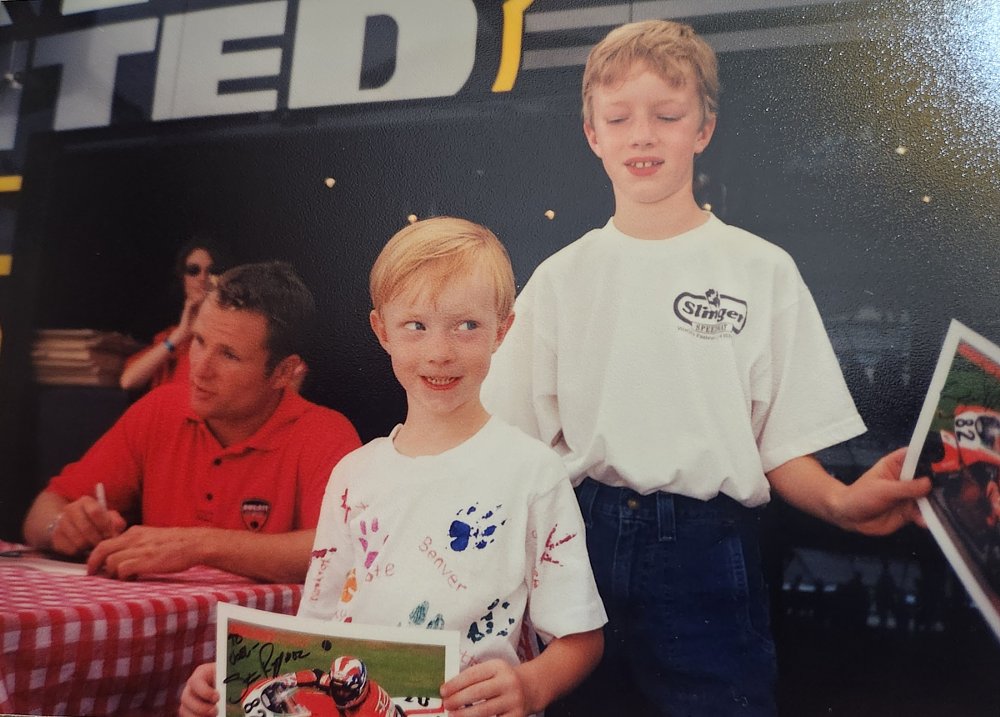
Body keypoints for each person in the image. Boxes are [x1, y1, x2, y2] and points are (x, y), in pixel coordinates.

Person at [480, 19, 932, 717]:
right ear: (592, 134)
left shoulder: (761, 270)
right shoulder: (560, 278)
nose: (643, 135)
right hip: (579, 541)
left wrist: (843, 503)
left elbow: (779, 448)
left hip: (709, 550)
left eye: (667, 114)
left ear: (704, 128)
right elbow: (512, 451)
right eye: (619, 117)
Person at [179, 217, 607, 717]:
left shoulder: (533, 473)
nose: (440, 352)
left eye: (467, 325)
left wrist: (531, 686)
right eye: (416, 326)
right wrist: (235, 687)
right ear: (382, 331)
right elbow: (313, 638)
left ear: (503, 330)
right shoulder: (352, 475)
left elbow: (582, 639)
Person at [22, 261, 361, 583]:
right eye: (199, 341)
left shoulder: (324, 433)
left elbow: (344, 549)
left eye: (229, 355)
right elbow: (42, 510)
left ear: (284, 372)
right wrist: (61, 527)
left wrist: (198, 546)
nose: (199, 368)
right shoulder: (159, 409)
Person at [120, 234, 231, 392]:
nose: (202, 278)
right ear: (183, 279)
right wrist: (181, 334)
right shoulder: (173, 337)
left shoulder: (234, 333)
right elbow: (128, 381)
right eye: (193, 270)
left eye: (212, 271)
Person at [253, 656, 403, 717]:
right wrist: (289, 680)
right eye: (336, 687)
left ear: (357, 688)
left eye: (343, 691)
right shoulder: (349, 685)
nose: (338, 693)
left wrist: (298, 713)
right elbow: (317, 676)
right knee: (305, 699)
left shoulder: (367, 711)